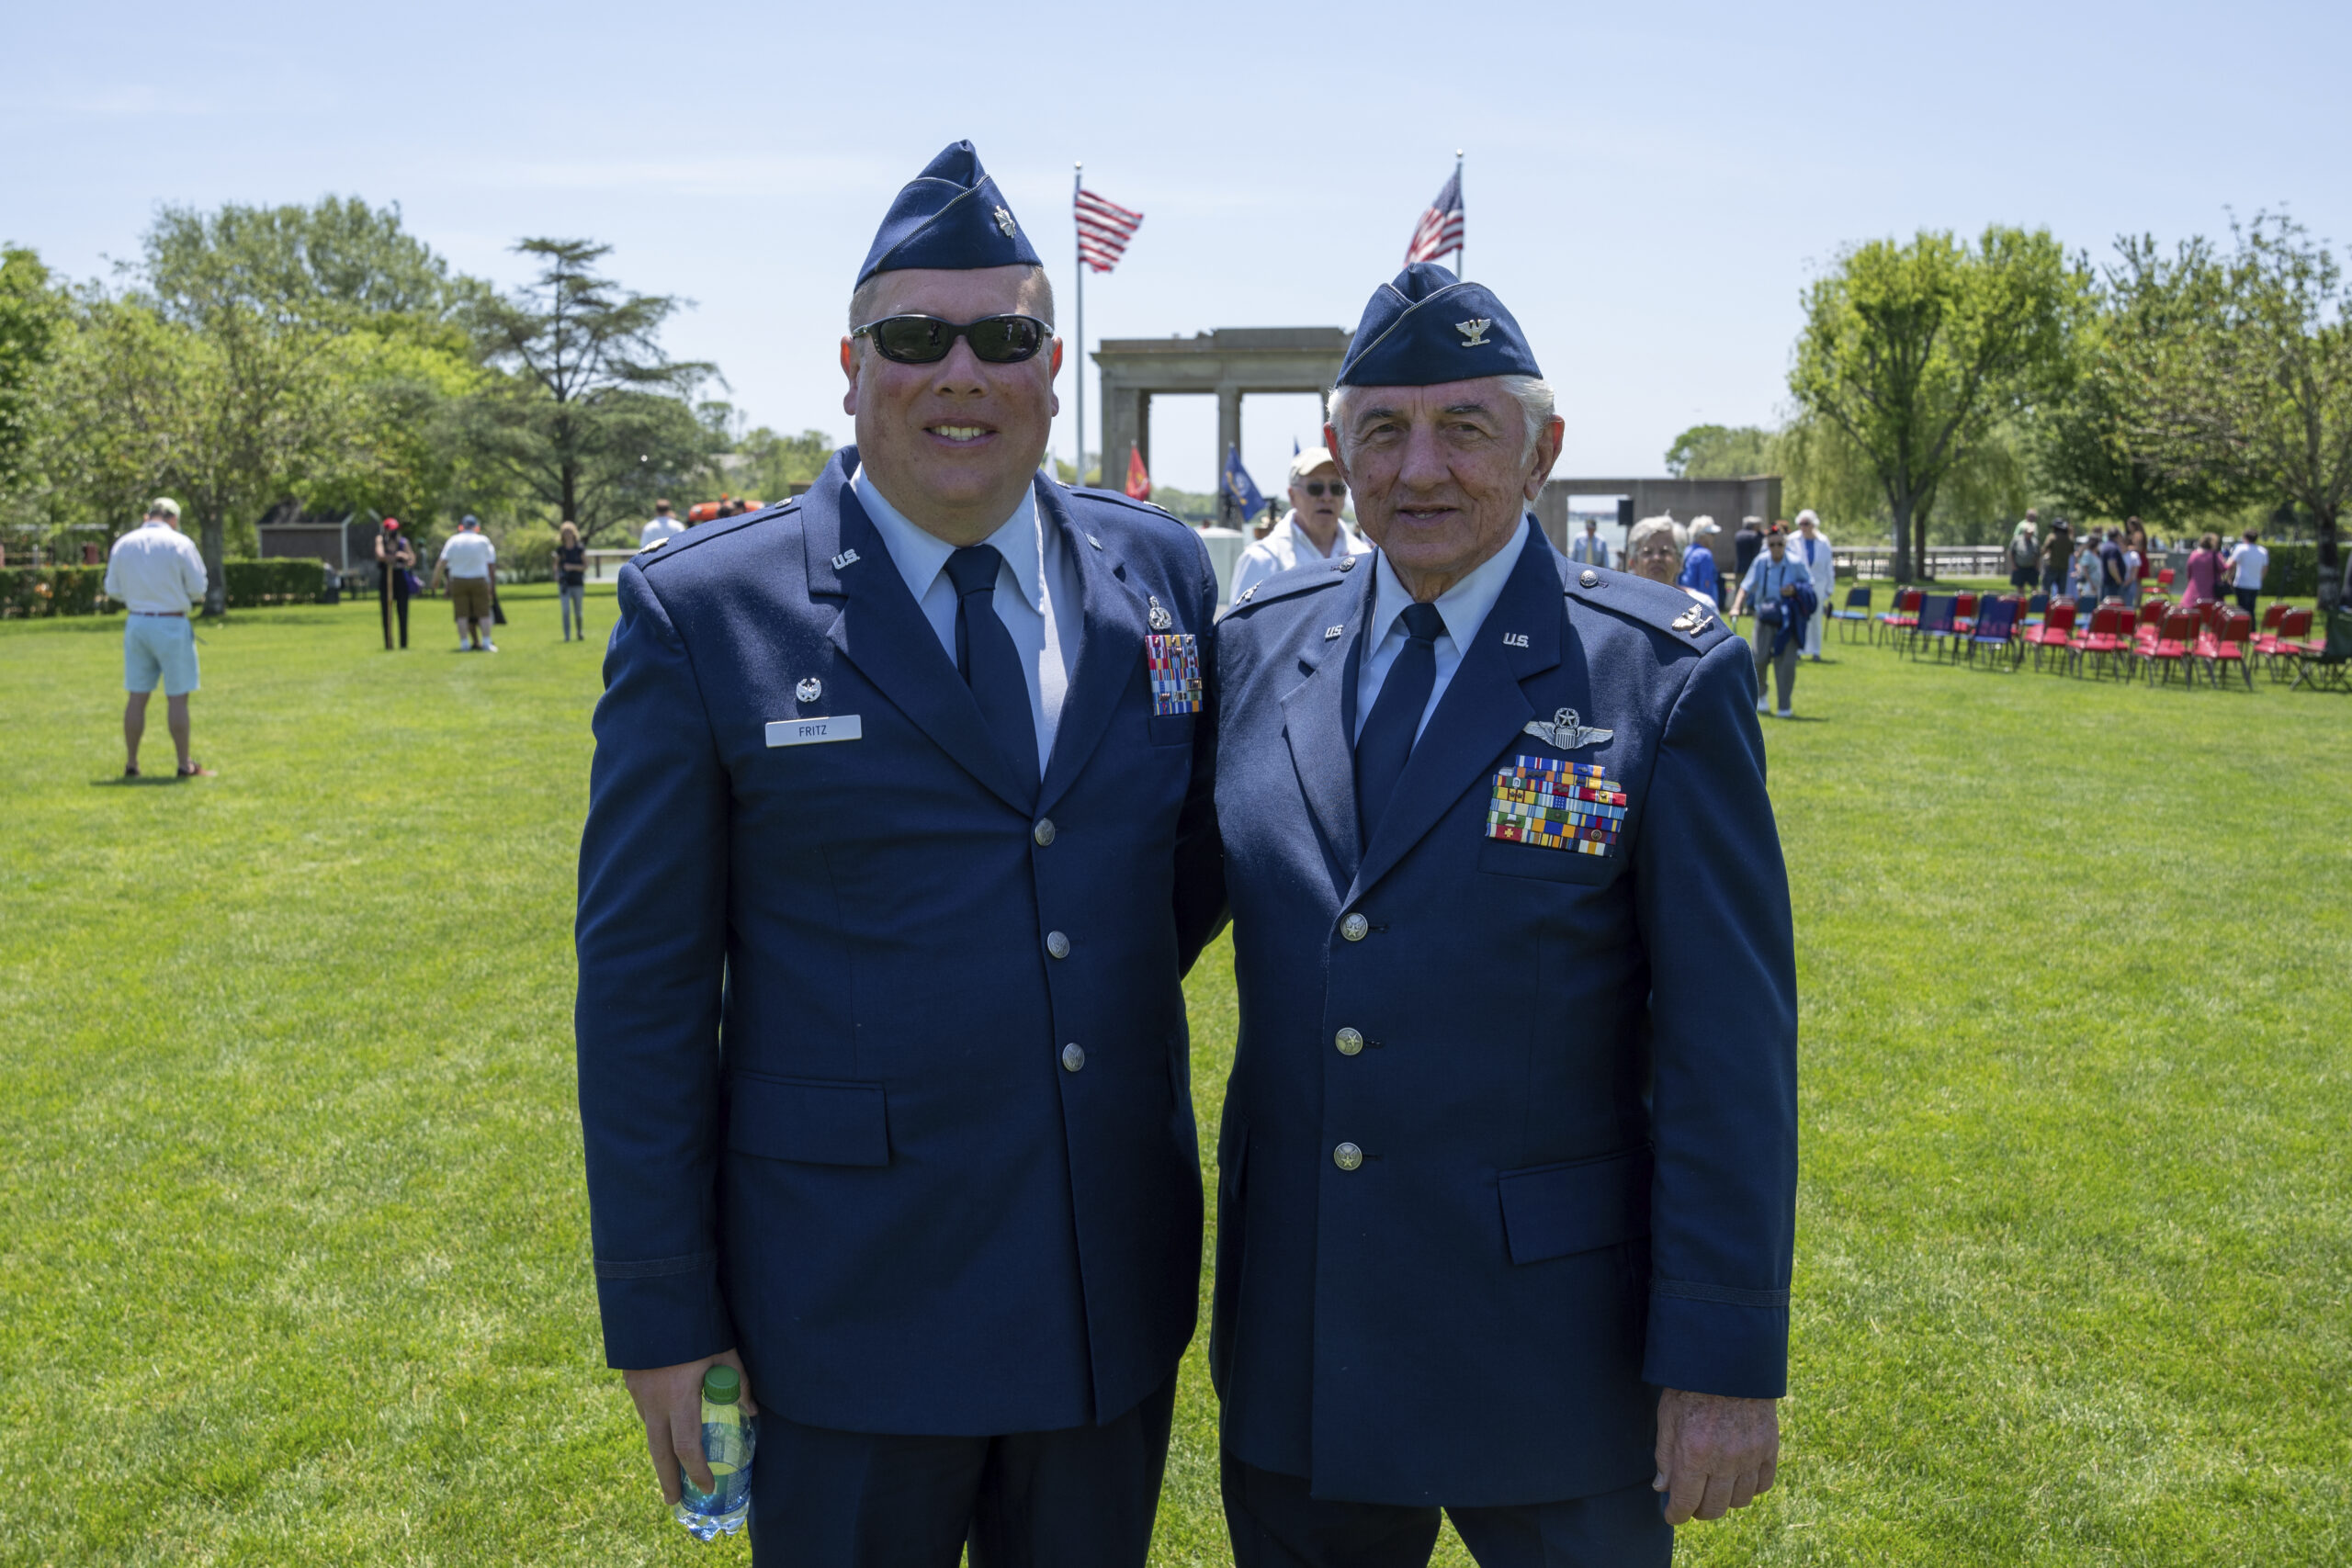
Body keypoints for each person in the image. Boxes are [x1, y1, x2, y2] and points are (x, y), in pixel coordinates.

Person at [575, 141, 1223, 1567]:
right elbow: (643, 999)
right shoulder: (709, 613)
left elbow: (1161, 881)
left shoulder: (1161, 575)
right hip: (846, 1309)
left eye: (1003, 337)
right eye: (916, 339)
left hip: (1100, 1287)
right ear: (850, 362)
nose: (961, 374)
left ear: (1053, 366)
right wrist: (666, 1313)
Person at [1208, 261, 1792, 1568]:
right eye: (1382, 429)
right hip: (1308, 1331)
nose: (1421, 467)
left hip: (1555, 1350)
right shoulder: (1258, 651)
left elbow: (1728, 1048)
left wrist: (1724, 1355)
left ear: (1543, 451)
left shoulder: (1660, 676)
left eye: (1465, 427)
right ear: (1338, 448)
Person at [104, 499, 211, 779]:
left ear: (147, 516)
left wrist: (140, 596)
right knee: (177, 697)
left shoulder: (125, 543)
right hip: (172, 622)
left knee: (137, 696)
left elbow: (112, 588)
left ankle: (132, 763)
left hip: (137, 621)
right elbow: (199, 586)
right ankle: (183, 763)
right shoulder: (180, 543)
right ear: (174, 518)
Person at [1229, 447, 1372, 603]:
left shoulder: (1365, 557)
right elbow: (1239, 626)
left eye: (1336, 488)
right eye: (1315, 488)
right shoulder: (1261, 560)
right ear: (1292, 496)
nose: (1327, 497)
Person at [1732, 523, 1815, 719]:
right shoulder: (1761, 562)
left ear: (1785, 544)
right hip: (1764, 615)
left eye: (1780, 544)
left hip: (1788, 618)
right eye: (1772, 545)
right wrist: (1737, 605)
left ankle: (1784, 706)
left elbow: (1809, 586)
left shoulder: (1795, 563)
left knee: (1786, 663)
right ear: (1767, 546)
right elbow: (1745, 585)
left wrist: (1794, 589)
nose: (1776, 549)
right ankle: (1762, 695)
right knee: (1758, 658)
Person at [432, 514, 499, 652]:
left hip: (458, 580)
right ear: (476, 527)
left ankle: (464, 644)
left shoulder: (453, 541)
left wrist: (436, 580)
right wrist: (492, 585)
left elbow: (442, 562)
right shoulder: (483, 540)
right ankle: (486, 643)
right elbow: (491, 564)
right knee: (484, 614)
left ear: (461, 527)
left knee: (461, 615)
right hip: (479, 579)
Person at [1792, 510, 1834, 660]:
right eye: (1801, 524)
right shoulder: (1793, 539)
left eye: (1806, 524)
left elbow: (1829, 566)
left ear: (1813, 525)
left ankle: (1816, 651)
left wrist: (1829, 588)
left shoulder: (1823, 541)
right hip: (1800, 585)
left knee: (1816, 619)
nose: (1803, 527)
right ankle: (1798, 649)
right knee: (1799, 615)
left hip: (1819, 584)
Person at [375, 517, 416, 650]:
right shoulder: (380, 540)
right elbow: (380, 555)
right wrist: (395, 556)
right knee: (386, 612)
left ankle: (404, 644)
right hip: (386, 578)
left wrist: (402, 556)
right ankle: (388, 644)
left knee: (403, 612)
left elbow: (411, 559)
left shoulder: (403, 542)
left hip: (400, 578)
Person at [1624, 514, 1688, 592]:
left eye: (1664, 552)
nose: (1656, 558)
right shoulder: (1620, 603)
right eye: (1647, 552)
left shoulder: (1698, 603)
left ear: (1679, 563)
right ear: (1633, 564)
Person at [554, 521, 589, 641]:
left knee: (578, 612)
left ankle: (579, 632)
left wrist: (572, 567)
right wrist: (556, 575)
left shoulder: (579, 549)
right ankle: (567, 636)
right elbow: (556, 565)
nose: (567, 534)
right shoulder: (560, 550)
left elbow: (585, 566)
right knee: (565, 611)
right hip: (564, 585)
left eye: (569, 532)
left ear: (574, 533)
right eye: (565, 532)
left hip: (577, 584)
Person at [1678, 516, 1721, 607]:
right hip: (1700, 604)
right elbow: (1706, 584)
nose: (1714, 538)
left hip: (1684, 599)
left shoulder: (1687, 550)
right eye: (1712, 534)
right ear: (1702, 536)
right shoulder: (1704, 554)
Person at [2225, 527, 2268, 615]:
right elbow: (2265, 568)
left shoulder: (2241, 549)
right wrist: (2259, 579)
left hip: (2242, 583)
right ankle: (2251, 626)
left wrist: (2229, 577)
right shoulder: (2262, 551)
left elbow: (2232, 564)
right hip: (2255, 584)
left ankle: (2244, 626)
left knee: (2242, 609)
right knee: (2251, 609)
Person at [2182, 532, 2221, 608]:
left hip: (2194, 589)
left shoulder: (2194, 554)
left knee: (2192, 613)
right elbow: (2222, 568)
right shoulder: (2214, 555)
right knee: (2210, 613)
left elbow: (2189, 571)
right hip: (2211, 590)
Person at [2040, 519, 2074, 600]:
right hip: (2063, 568)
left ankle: (2045, 607)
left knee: (2046, 589)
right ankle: (2059, 608)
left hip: (2052, 566)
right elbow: (2071, 551)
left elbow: (2044, 550)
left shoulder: (2052, 537)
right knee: (2061, 593)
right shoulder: (2069, 539)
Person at [2009, 512, 2040, 592]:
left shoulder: (2035, 541)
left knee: (2034, 587)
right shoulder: (2017, 539)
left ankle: (2034, 602)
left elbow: (2037, 555)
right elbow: (2011, 552)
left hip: (2031, 568)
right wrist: (2013, 565)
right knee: (2020, 587)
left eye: (2031, 533)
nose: (2030, 534)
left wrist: (2037, 566)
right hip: (2020, 567)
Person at [1732, 514, 1764, 586]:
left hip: (1739, 568)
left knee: (1739, 590)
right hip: (1751, 570)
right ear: (1754, 526)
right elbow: (1757, 553)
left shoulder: (1738, 534)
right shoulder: (1754, 536)